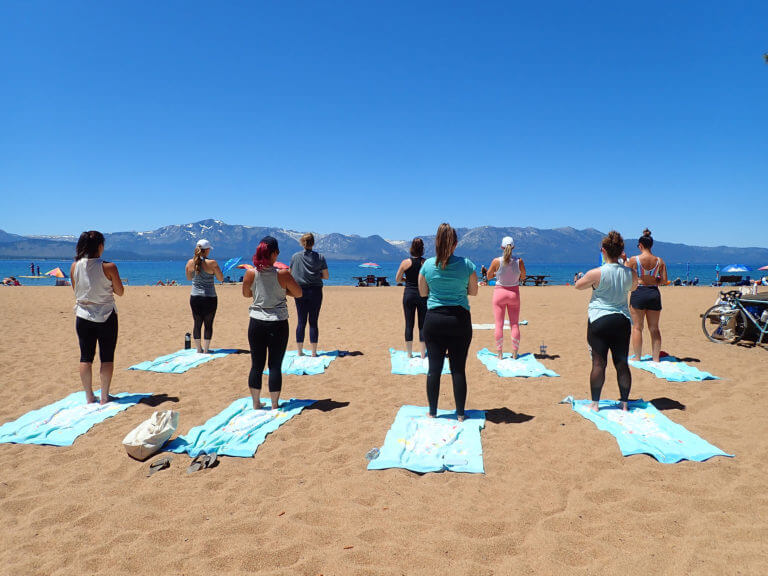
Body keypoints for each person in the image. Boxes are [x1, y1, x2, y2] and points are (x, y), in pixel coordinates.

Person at [418, 223, 478, 421]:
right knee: (458, 369)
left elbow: (423, 293)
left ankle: (433, 412)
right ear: (456, 244)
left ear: (435, 242)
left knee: (434, 369)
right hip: (459, 320)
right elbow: (474, 291)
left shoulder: (427, 266)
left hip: (434, 320)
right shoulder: (467, 264)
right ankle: (460, 414)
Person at [575, 231, 638, 412]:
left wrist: (593, 283)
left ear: (603, 250)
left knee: (598, 363)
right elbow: (633, 287)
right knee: (621, 362)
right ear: (621, 251)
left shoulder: (597, 273)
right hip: (621, 320)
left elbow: (578, 286)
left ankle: (595, 403)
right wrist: (624, 263)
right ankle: (624, 404)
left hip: (599, 319)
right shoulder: (630, 272)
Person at [243, 236, 302, 410]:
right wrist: (283, 293)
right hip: (278, 322)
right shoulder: (283, 274)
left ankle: (256, 403)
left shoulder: (251, 273)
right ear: (274, 253)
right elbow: (298, 293)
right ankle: (275, 404)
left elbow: (246, 294)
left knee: (256, 364)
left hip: (256, 322)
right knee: (275, 365)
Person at [70, 230, 124, 405]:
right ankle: (105, 397)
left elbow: (76, 290)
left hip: (83, 315)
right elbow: (120, 291)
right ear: (100, 246)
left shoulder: (74, 266)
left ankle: (89, 396)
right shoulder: (109, 267)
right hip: (106, 315)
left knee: (85, 357)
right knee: (107, 357)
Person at [625, 229, 667, 362]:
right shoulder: (659, 261)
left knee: (637, 327)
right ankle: (656, 359)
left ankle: (637, 357)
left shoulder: (634, 259)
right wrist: (655, 280)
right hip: (653, 293)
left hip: (639, 292)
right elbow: (664, 281)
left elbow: (626, 275)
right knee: (654, 328)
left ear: (640, 245)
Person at [486, 236, 526, 359]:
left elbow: (488, 276)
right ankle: (514, 354)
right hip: (514, 293)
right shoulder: (519, 261)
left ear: (502, 247)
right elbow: (523, 277)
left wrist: (497, 273)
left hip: (499, 294)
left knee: (499, 324)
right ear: (513, 247)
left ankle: (500, 353)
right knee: (514, 324)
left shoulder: (496, 261)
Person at [289, 233, 328, 357]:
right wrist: (317, 276)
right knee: (313, 322)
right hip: (315, 291)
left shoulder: (295, 257)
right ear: (313, 243)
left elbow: (291, 275)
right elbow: (326, 276)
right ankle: (313, 352)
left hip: (300, 291)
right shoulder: (320, 257)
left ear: (302, 243)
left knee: (301, 321)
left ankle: (300, 351)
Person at [185, 239, 224, 353]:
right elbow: (221, 279)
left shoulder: (189, 262)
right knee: (208, 323)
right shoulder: (212, 263)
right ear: (207, 250)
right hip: (209, 297)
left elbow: (188, 278)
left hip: (195, 296)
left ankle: (198, 349)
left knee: (197, 323)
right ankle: (206, 350)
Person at [395, 238, 428, 357]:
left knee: (409, 324)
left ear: (411, 248)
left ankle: (409, 354)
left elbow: (397, 279)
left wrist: (406, 279)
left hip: (409, 294)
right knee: (422, 325)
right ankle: (423, 354)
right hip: (423, 295)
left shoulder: (405, 263)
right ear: (422, 249)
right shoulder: (426, 263)